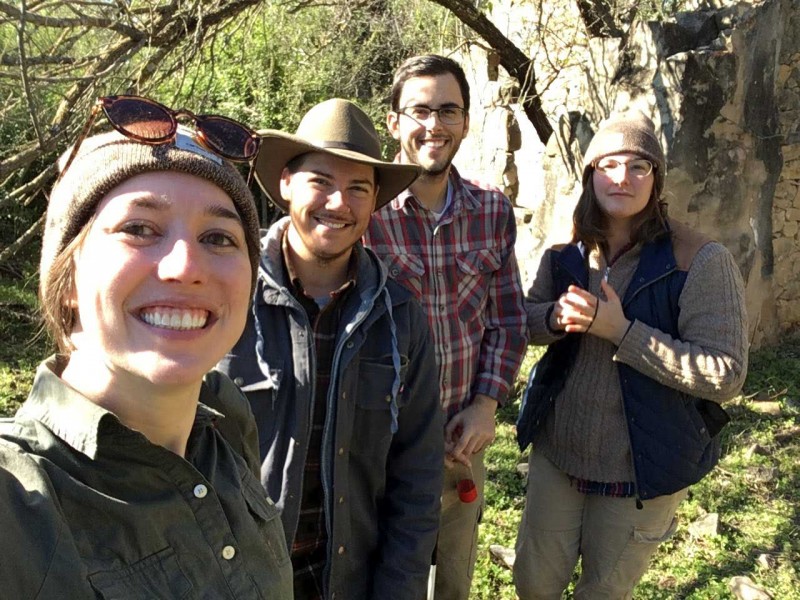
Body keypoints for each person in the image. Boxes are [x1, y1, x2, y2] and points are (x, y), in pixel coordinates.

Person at [0, 95, 293, 598]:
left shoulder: (226, 420)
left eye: (219, 238)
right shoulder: (19, 498)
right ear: (66, 278)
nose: (186, 266)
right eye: (140, 229)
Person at [513, 111, 749, 599]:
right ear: (590, 174)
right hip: (558, 456)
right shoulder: (567, 254)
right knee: (534, 585)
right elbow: (525, 320)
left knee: (601, 592)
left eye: (639, 166)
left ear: (656, 178)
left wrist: (622, 332)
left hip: (639, 469)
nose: (622, 178)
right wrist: (555, 318)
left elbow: (725, 373)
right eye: (609, 164)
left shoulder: (699, 260)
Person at [218, 98, 443, 600]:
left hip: (349, 584)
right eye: (321, 181)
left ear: (374, 202)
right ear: (285, 184)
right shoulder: (222, 291)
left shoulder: (400, 316)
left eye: (358, 188)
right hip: (235, 584)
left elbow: (418, 477)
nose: (339, 204)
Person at [363, 54, 528, 599]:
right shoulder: (362, 215)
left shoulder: (491, 210)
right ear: (394, 122)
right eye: (420, 111)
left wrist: (486, 404)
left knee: (453, 578)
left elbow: (506, 320)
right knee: (381, 576)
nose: (434, 125)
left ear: (465, 120)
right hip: (378, 449)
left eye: (448, 111)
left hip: (462, 444)